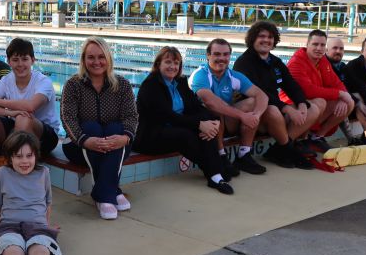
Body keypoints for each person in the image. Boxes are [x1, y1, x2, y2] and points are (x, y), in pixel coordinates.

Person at [134, 46, 233, 195]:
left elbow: (195, 106)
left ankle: (215, 174)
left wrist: (214, 121)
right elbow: (167, 116)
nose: (172, 67)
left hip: (175, 128)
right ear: (158, 64)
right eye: (168, 62)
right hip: (151, 136)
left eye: (176, 63)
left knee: (206, 120)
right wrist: (199, 124)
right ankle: (215, 171)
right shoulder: (151, 85)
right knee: (188, 134)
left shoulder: (179, 82)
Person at [60, 36, 138, 220]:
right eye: (91, 57)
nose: (96, 62)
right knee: (91, 127)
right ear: (83, 60)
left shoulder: (122, 85)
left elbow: (131, 116)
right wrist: (84, 139)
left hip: (116, 145)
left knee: (115, 127)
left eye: (101, 57)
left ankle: (103, 195)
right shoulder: (73, 85)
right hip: (78, 146)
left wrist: (124, 138)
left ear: (108, 58)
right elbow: (67, 117)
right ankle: (112, 192)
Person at [233, 21, 322, 169]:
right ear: (253, 39)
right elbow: (260, 94)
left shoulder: (275, 62)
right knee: (272, 109)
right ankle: (288, 149)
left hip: (276, 114)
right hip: (256, 116)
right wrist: (287, 109)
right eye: (262, 36)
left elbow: (291, 84)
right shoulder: (244, 63)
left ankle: (279, 149)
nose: (266, 40)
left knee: (312, 108)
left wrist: (300, 103)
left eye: (270, 37)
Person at [189, 38, 268, 176]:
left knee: (252, 103)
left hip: (225, 123)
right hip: (202, 126)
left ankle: (244, 154)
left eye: (226, 54)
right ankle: (221, 156)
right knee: (214, 108)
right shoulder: (200, 75)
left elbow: (262, 96)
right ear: (208, 55)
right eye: (217, 54)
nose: (222, 58)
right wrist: (243, 116)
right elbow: (210, 102)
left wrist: (256, 116)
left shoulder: (233, 76)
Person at [0, 38, 60, 157]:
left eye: (25, 59)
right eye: (15, 60)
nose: (20, 64)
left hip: (45, 136)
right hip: (16, 126)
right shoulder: (6, 80)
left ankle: (14, 159)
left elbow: (30, 106)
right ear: (8, 61)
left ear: (32, 60)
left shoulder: (43, 82)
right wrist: (11, 113)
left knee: (23, 118)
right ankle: (8, 150)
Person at [283, 29, 354, 151]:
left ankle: (317, 137)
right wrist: (340, 93)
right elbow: (307, 91)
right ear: (307, 45)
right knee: (320, 102)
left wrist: (343, 96)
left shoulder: (322, 60)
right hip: (291, 105)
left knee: (349, 102)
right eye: (315, 44)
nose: (319, 48)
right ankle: (298, 141)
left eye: (322, 45)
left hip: (311, 105)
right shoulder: (297, 62)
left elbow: (335, 82)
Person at [325, 37, 366, 144]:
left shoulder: (342, 67)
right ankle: (351, 139)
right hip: (329, 104)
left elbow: (358, 84)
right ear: (327, 50)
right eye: (335, 48)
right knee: (347, 101)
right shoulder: (323, 66)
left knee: (362, 101)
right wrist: (357, 102)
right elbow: (335, 90)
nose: (338, 51)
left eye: (341, 49)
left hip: (346, 101)